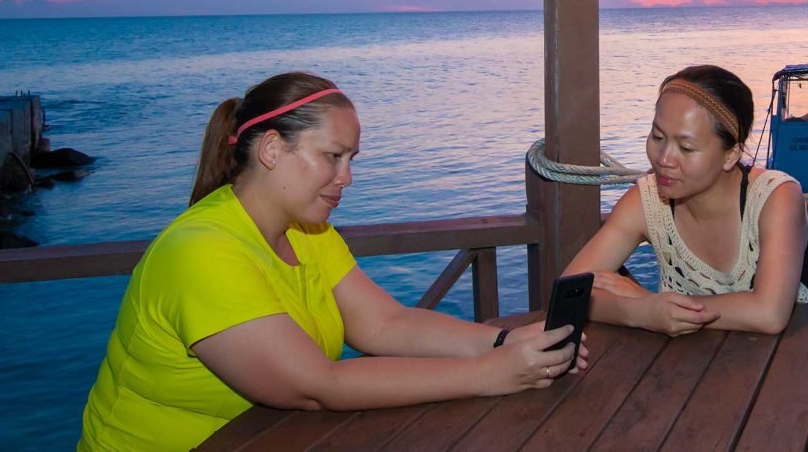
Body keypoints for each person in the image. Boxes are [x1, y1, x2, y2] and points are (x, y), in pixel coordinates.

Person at [79, 72, 585, 452]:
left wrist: (502, 342)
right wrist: (489, 374)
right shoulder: (200, 251)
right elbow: (318, 387)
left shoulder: (307, 229)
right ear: (273, 150)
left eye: (352, 160)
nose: (347, 178)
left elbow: (387, 324)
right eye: (333, 157)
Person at [563, 65, 808, 338]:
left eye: (686, 148)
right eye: (657, 136)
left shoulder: (775, 198)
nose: (663, 159)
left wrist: (655, 308)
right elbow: (568, 291)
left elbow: (769, 313)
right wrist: (640, 311)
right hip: (704, 372)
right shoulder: (645, 201)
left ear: (731, 155)